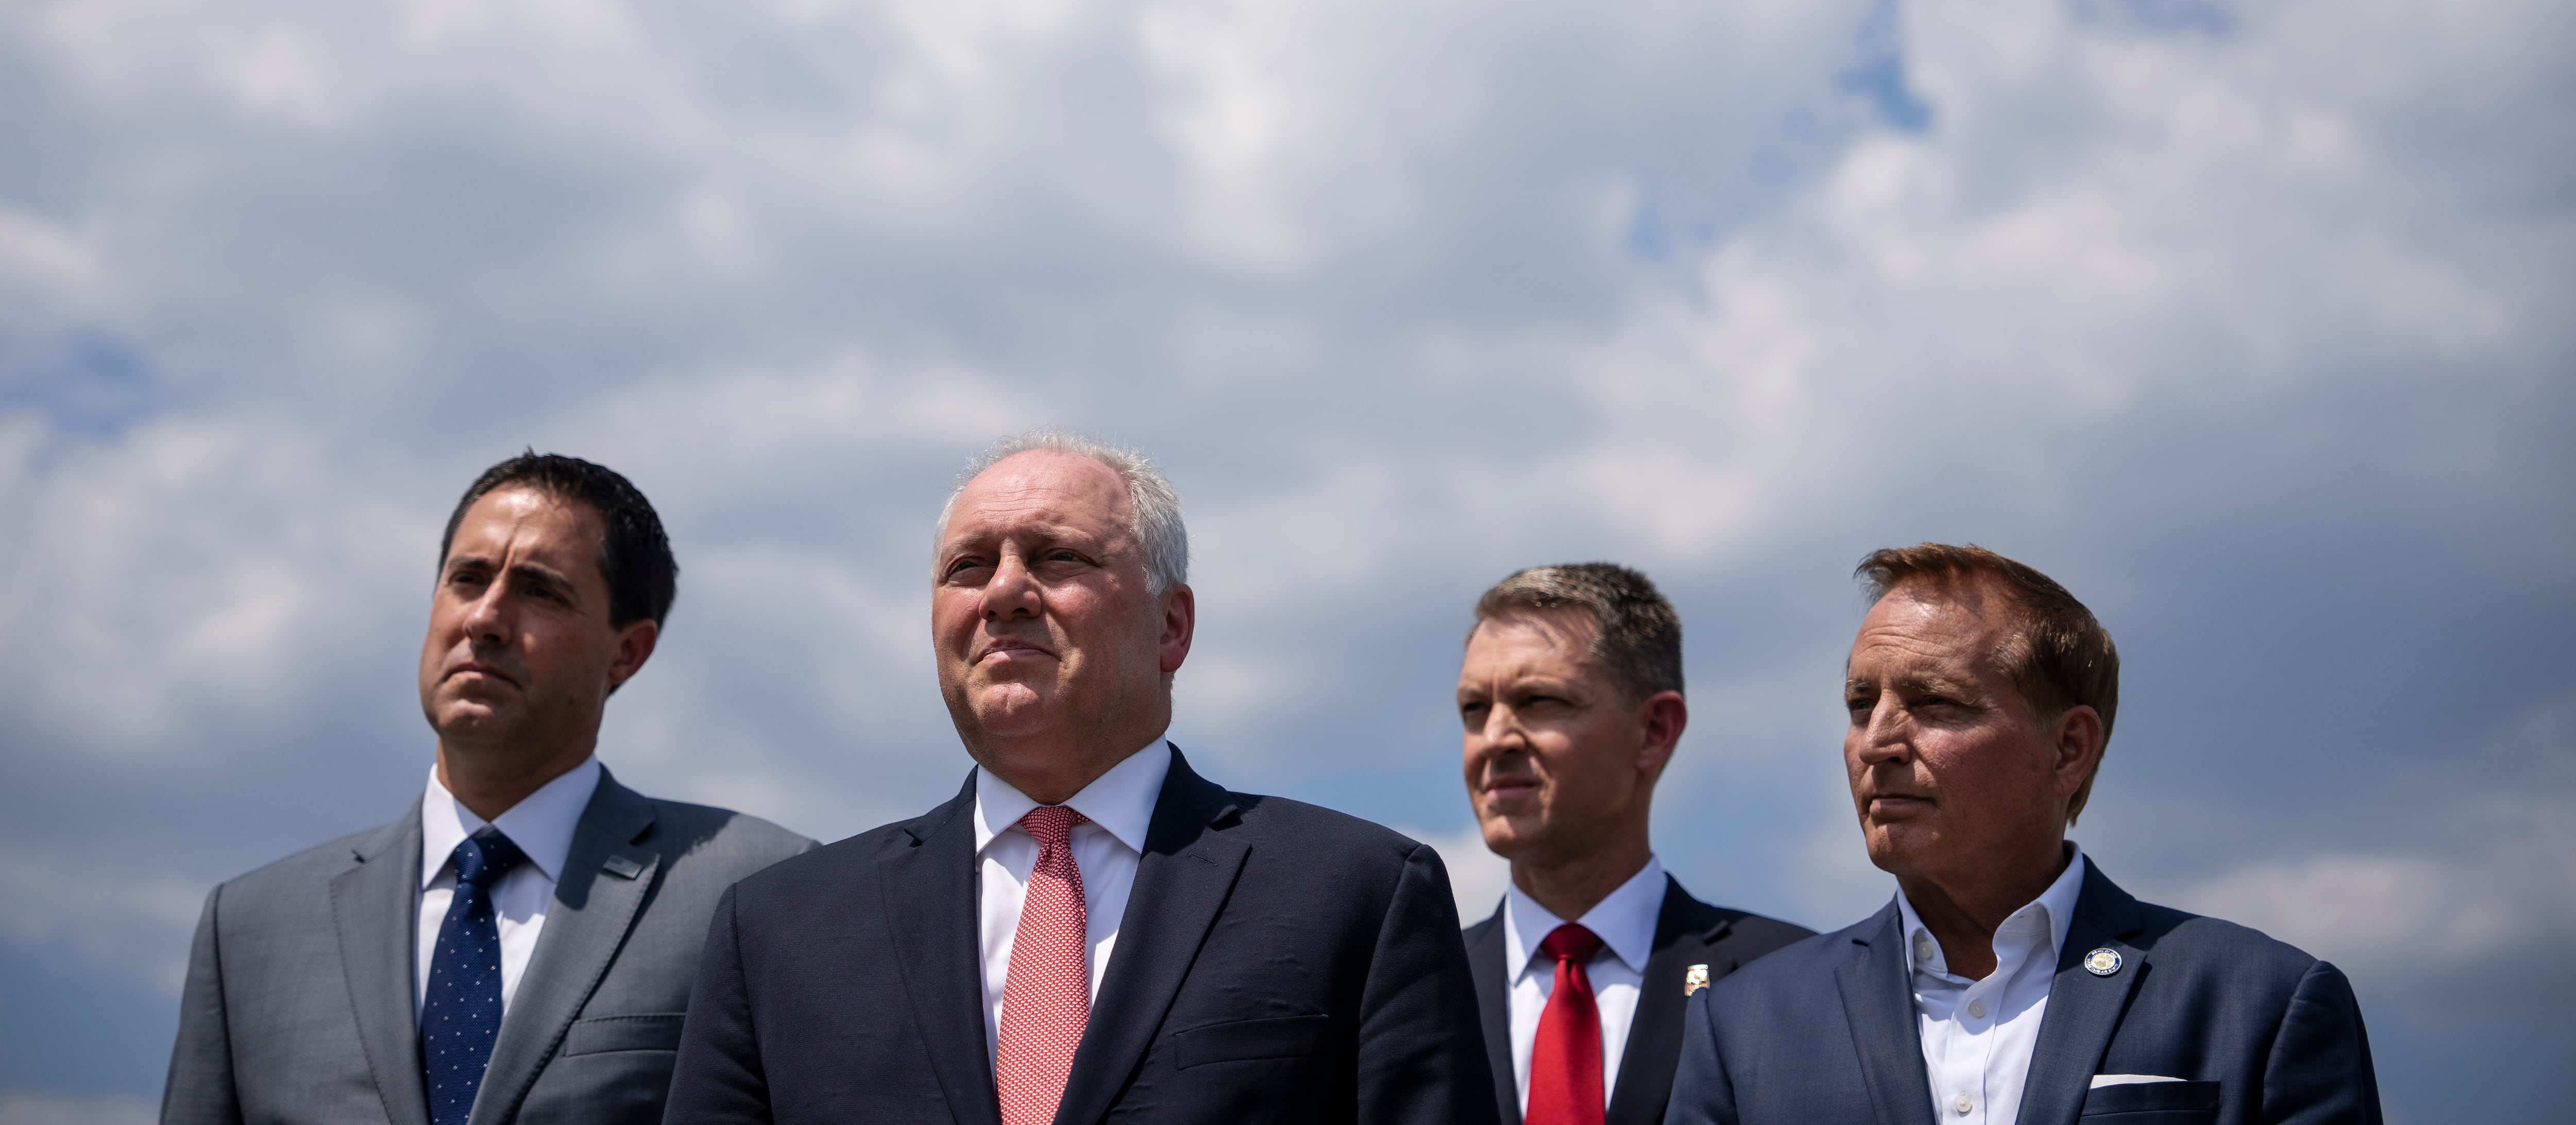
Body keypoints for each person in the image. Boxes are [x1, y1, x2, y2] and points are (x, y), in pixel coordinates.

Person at [666, 431, 1500, 1125]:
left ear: (1171, 625)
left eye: (1057, 556)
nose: (1003, 592)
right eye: (968, 566)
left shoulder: (1355, 893)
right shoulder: (779, 932)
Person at [161, 452, 813, 1125]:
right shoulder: (249, 929)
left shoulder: (761, 888)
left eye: (541, 591)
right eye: (467, 579)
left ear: (626, 652)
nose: (485, 618)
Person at [1667, 543, 2382, 1125]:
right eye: (1860, 704)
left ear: (2069, 749)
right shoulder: (1742, 1026)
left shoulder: (2259, 1001)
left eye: (1933, 702)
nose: (1876, 742)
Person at [1456, 564, 1809, 1125]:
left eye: (1539, 700)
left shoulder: (1794, 980)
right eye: (1474, 709)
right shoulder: (1411, 988)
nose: (1493, 738)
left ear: (1654, 730)